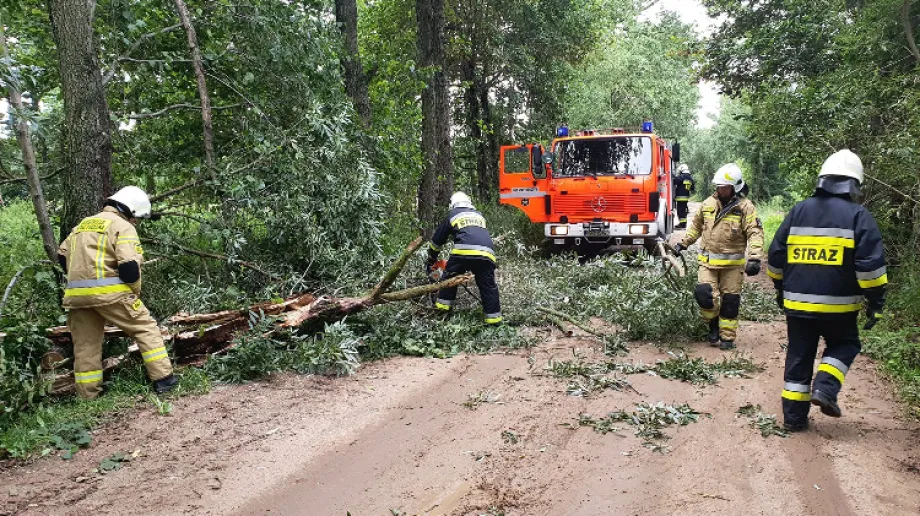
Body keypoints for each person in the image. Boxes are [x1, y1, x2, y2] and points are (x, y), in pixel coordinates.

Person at [767, 150, 886, 432]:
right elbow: (870, 267)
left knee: (799, 356)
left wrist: (780, 288)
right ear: (854, 184)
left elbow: (775, 256)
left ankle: (794, 419)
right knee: (845, 344)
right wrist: (876, 302)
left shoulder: (798, 211)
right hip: (840, 307)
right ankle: (825, 387)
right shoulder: (859, 216)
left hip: (798, 305)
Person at [59, 186, 176, 399]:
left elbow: (62, 255)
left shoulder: (82, 225)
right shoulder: (123, 227)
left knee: (85, 346)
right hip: (112, 294)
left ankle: (88, 396)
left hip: (77, 298)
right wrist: (134, 293)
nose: (135, 222)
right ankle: (164, 380)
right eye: (136, 217)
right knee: (146, 328)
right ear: (129, 209)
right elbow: (129, 269)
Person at [673, 163, 764, 350]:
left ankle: (727, 337)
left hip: (732, 266)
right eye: (719, 186)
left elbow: (755, 232)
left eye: (725, 187)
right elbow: (696, 227)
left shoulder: (745, 207)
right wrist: (683, 243)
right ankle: (713, 323)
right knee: (704, 297)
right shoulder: (708, 204)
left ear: (735, 187)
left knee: (730, 302)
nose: (720, 190)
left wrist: (754, 257)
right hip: (707, 264)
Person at [426, 192, 502, 325]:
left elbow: (438, 240)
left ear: (453, 204)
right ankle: (494, 321)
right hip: (487, 254)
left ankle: (442, 313)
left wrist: (432, 257)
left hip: (463, 252)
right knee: (488, 285)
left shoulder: (453, 214)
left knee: (450, 279)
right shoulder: (479, 215)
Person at [674, 164, 695, 229]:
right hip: (686, 197)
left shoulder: (682, 176)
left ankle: (682, 225)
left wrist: (674, 176)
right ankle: (683, 224)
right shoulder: (690, 178)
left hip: (680, 197)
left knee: (680, 211)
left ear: (682, 170)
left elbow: (675, 181)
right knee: (683, 210)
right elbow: (692, 188)